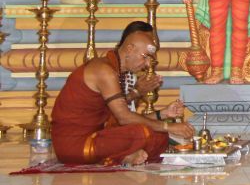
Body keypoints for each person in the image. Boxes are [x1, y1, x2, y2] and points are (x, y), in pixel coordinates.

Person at [51, 21, 195, 165]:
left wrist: (162, 114)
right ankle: (121, 157)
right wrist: (168, 126)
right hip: (74, 145)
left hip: (99, 136)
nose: (147, 64)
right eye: (144, 57)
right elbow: (124, 118)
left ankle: (122, 156)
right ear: (130, 49)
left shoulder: (117, 72)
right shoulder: (104, 71)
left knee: (159, 136)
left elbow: (119, 118)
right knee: (142, 133)